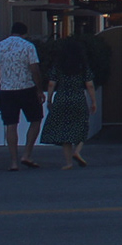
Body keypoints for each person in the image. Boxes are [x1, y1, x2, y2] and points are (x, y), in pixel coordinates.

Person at [0, 22, 46, 172]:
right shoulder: (28, 46)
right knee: (35, 119)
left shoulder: (0, 46)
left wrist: (5, 74)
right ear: (24, 33)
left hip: (7, 90)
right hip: (27, 88)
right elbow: (34, 69)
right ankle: (26, 154)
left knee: (11, 125)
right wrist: (39, 89)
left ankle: (13, 162)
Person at [41, 40, 98, 170]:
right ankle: (77, 151)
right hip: (78, 98)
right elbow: (89, 84)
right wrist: (93, 101)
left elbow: (51, 83)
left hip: (61, 98)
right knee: (82, 124)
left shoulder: (59, 66)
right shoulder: (82, 66)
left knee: (64, 130)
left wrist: (49, 99)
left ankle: (68, 163)